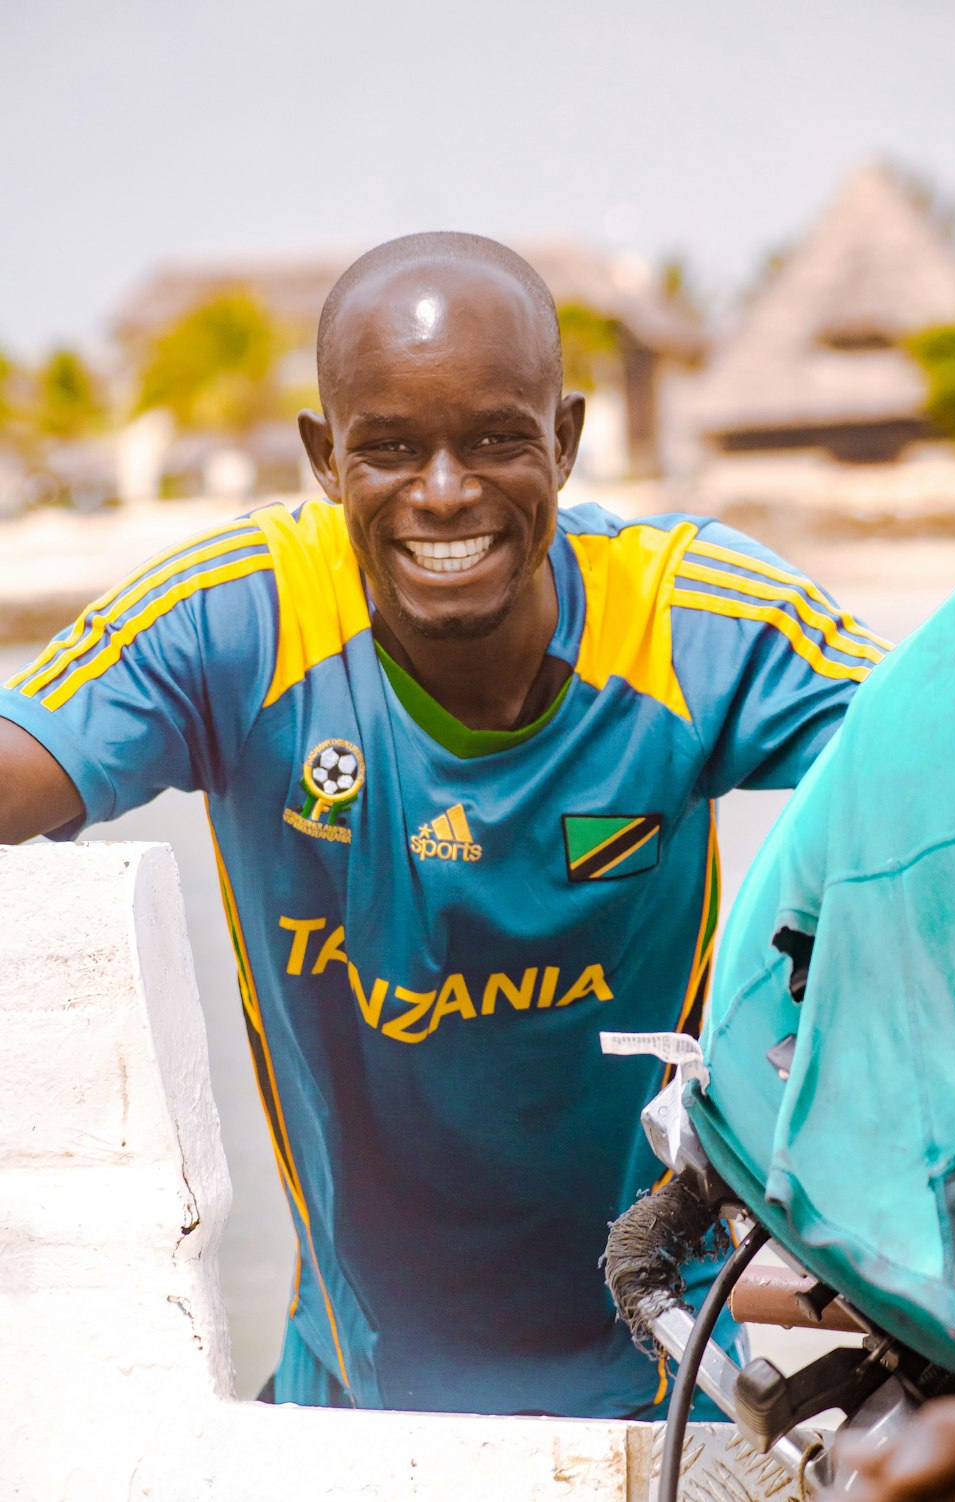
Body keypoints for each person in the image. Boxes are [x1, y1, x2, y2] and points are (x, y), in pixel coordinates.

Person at [0, 232, 887, 1420]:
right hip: (352, 1405)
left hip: (667, 1397)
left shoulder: (690, 618)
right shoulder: (240, 621)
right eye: (390, 447)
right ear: (323, 457)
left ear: (564, 439)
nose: (444, 491)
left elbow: (943, 778)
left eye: (495, 438)